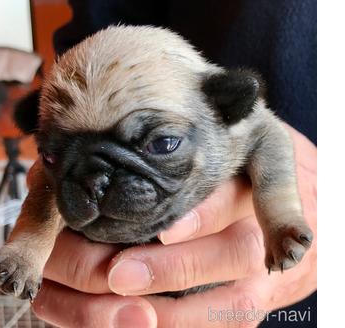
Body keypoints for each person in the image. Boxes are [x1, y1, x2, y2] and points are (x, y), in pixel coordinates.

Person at [30, 1, 317, 327]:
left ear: (227, 105)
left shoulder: (240, 121)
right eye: (54, 155)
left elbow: (264, 132)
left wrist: (288, 210)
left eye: (161, 145)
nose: (97, 181)